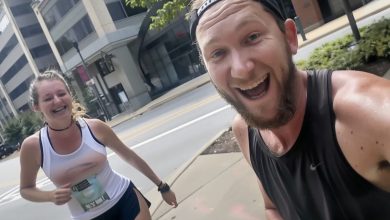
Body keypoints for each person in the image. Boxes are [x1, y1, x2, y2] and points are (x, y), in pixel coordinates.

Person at [189, 0, 390, 219]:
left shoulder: (363, 111)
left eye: (253, 37)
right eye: (217, 53)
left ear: (289, 37)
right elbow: (273, 207)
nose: (241, 69)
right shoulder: (245, 131)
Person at [19, 70, 178, 220]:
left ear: (70, 95)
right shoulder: (33, 146)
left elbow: (130, 156)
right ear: (36, 106)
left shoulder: (94, 127)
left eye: (61, 94)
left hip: (124, 199)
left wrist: (162, 186)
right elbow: (26, 189)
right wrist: (49, 196)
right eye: (48, 98)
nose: (57, 100)